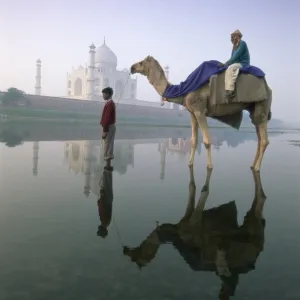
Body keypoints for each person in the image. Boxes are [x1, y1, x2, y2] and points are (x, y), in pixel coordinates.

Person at [220, 29, 250, 99]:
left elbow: (236, 57)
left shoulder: (242, 43)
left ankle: (230, 90)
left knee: (230, 68)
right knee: (228, 68)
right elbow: (232, 58)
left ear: (237, 36)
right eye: (231, 37)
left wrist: (226, 64)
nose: (232, 39)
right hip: (237, 63)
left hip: (243, 63)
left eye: (233, 37)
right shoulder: (234, 47)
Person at [100, 87, 116, 169]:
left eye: (104, 94)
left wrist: (104, 130)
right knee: (108, 144)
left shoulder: (110, 104)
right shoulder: (108, 103)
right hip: (109, 126)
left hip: (109, 127)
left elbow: (107, 119)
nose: (103, 95)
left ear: (108, 94)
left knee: (108, 145)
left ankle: (108, 165)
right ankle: (108, 164)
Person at [97, 167, 114, 238]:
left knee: (108, 182)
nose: (98, 228)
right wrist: (101, 197)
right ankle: (107, 165)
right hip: (106, 199)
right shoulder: (104, 221)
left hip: (109, 199)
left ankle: (107, 168)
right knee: (106, 181)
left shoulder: (107, 222)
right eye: (99, 231)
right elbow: (102, 208)